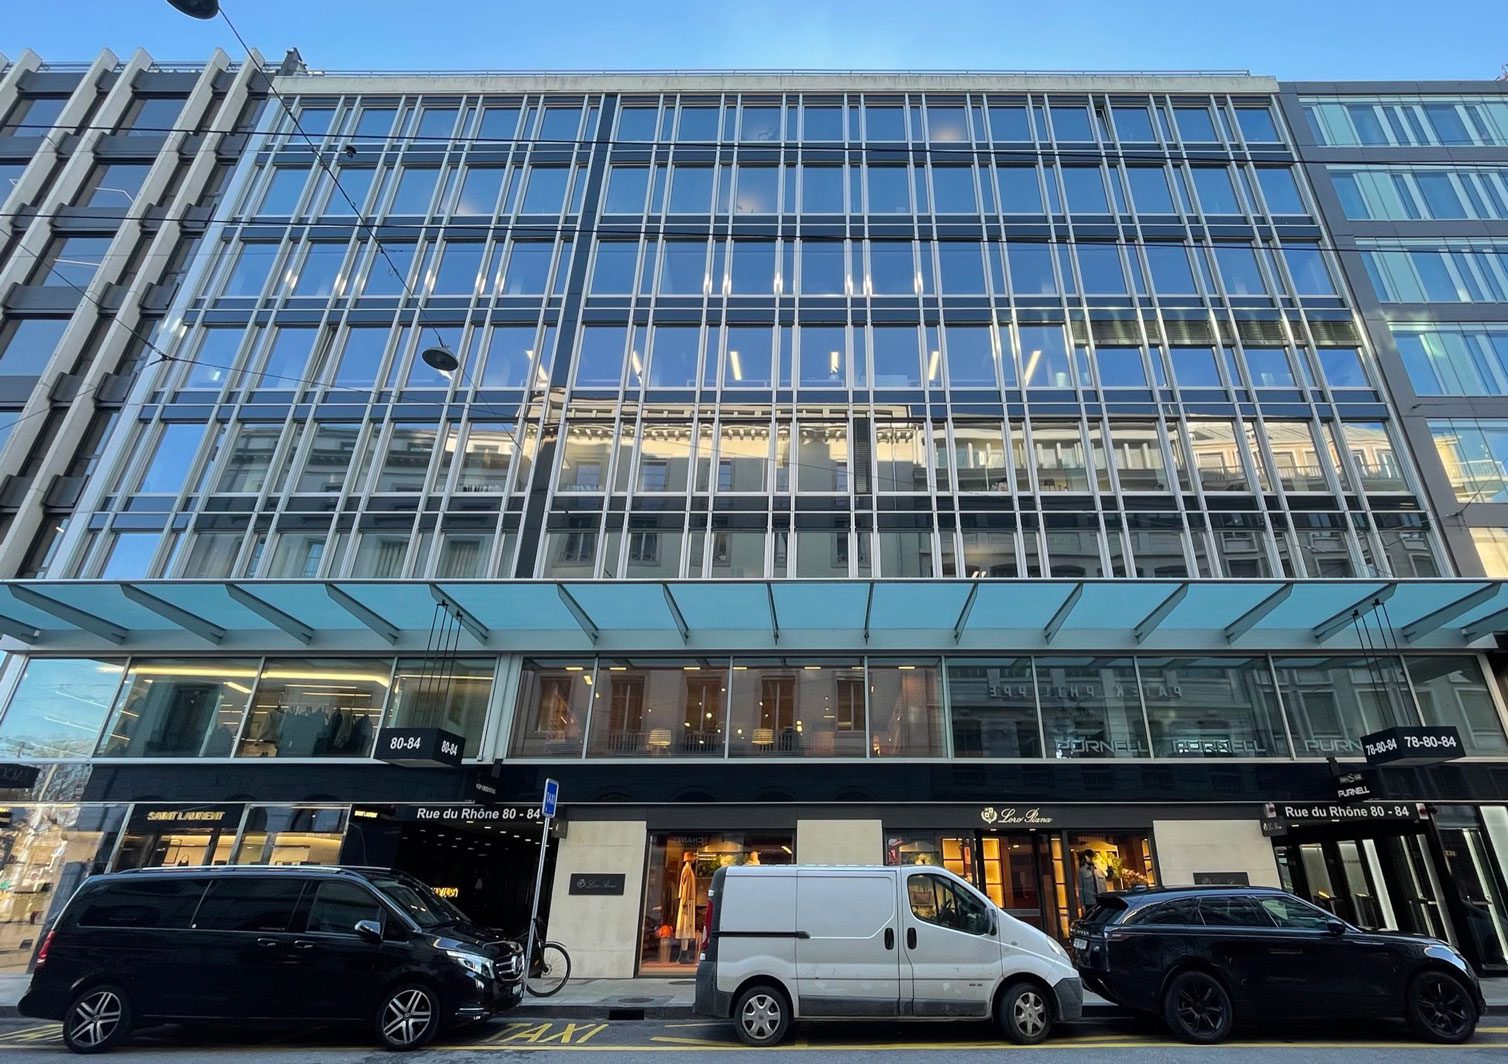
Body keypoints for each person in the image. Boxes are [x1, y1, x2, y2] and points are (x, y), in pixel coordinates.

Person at [674, 852, 698, 961]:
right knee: (685, 927)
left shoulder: (687, 869)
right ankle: (684, 954)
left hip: (688, 900)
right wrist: (684, 902)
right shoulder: (687, 870)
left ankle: (684, 953)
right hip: (687, 901)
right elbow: (685, 887)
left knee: (686, 927)